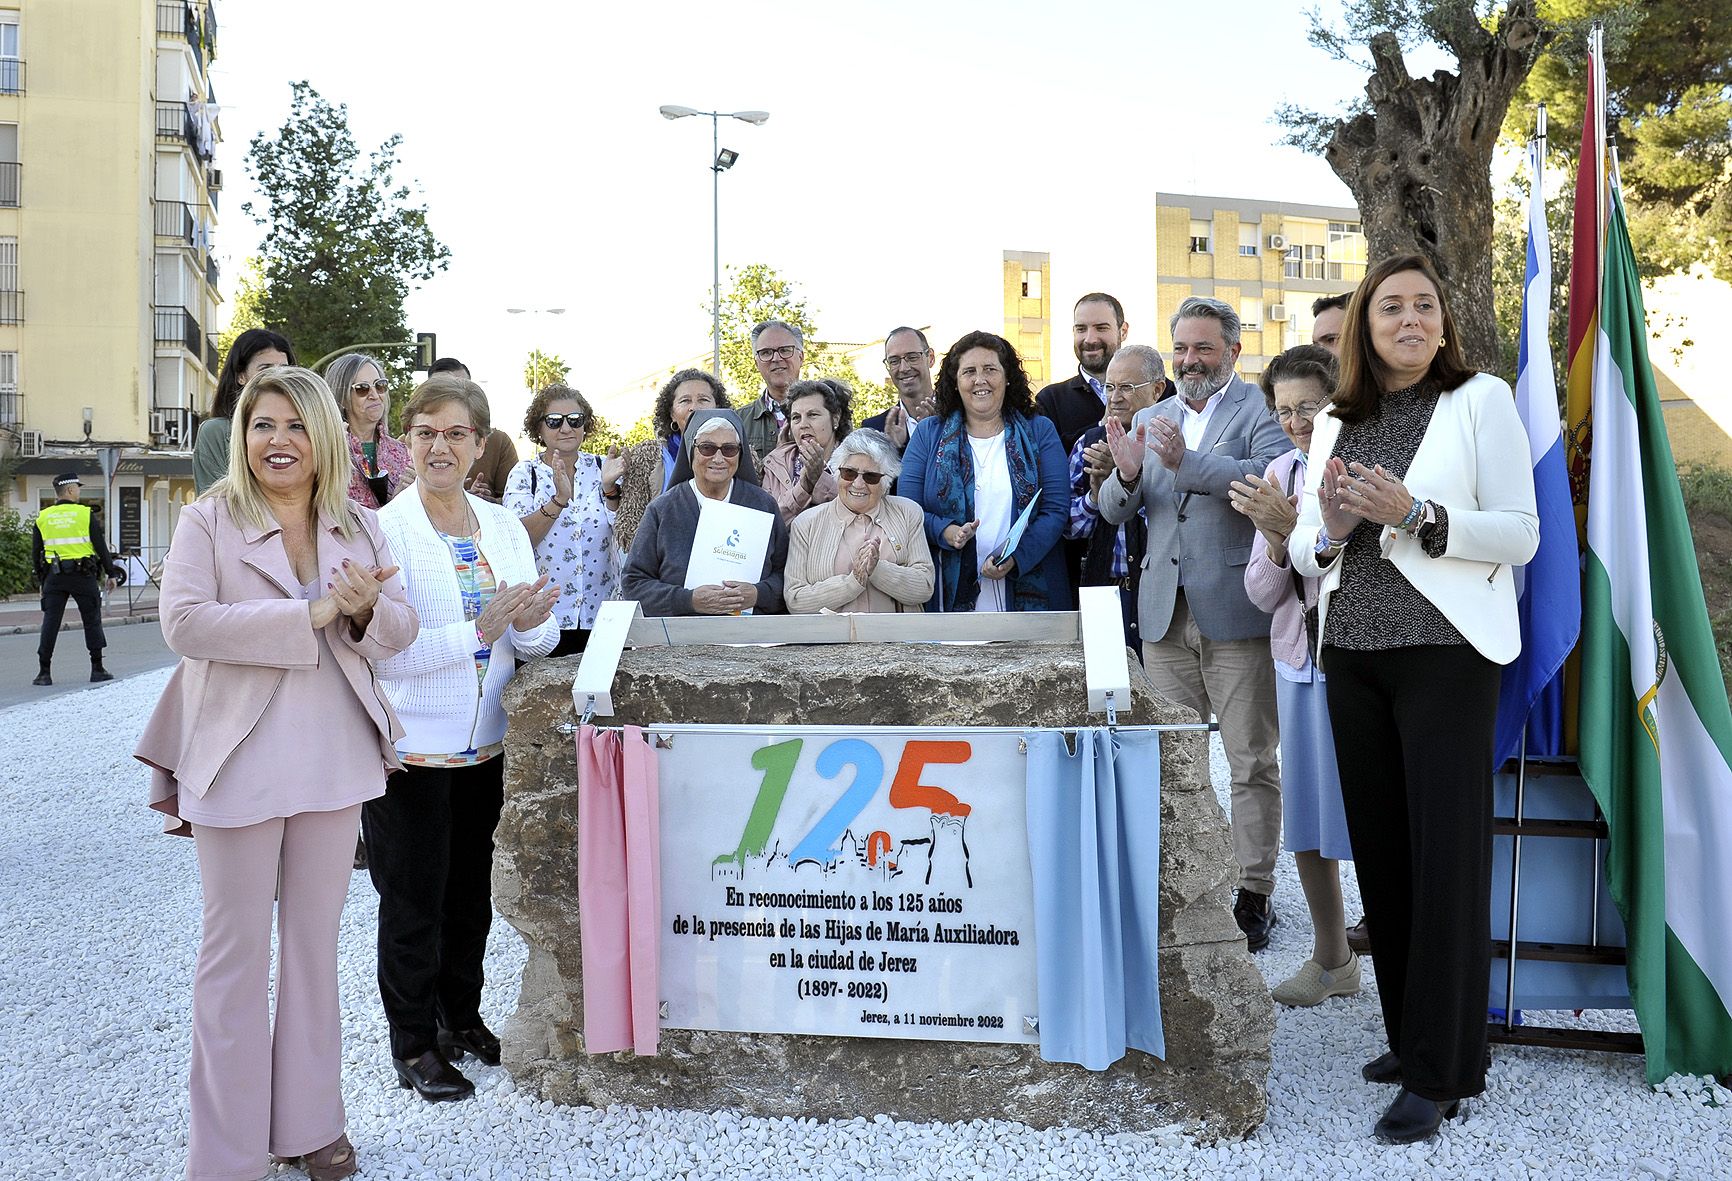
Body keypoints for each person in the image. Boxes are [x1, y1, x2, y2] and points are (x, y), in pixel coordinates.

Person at [134, 366, 418, 1181]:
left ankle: (310, 1127)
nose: (278, 441)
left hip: (334, 758)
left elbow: (397, 626)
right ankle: (224, 1156)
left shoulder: (357, 526)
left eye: (295, 425)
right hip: (234, 759)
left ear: (322, 435)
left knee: (311, 950)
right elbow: (185, 622)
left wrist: (363, 608)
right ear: (242, 436)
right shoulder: (208, 519)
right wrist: (311, 613)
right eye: (262, 425)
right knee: (233, 955)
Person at [1291, 254, 1538, 1144]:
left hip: (1445, 658)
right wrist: (1332, 530)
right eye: (1389, 306)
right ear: (1364, 324)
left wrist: (1417, 512)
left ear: (1443, 320)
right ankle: (1410, 1036)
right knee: (1386, 861)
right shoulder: (1334, 421)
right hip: (1353, 656)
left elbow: (1522, 532)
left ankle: (1445, 1071)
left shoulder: (1482, 400)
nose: (1408, 318)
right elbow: (1304, 558)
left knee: (1445, 862)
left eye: (1423, 304)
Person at [369, 376, 561, 1103]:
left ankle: (461, 1017)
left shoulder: (504, 525)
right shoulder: (386, 531)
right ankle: (413, 1042)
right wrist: (478, 629)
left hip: (486, 746)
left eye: (455, 433)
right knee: (412, 901)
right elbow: (385, 652)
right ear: (407, 442)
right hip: (412, 749)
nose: (440, 445)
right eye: (425, 432)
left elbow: (534, 642)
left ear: (479, 443)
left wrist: (533, 616)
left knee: (470, 897)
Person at [1099, 296, 1290, 950]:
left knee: (1249, 759)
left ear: (1232, 351)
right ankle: (1182, 883)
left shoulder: (1259, 410)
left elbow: (1266, 475)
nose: (1189, 360)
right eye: (1180, 348)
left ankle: (1254, 891)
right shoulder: (1151, 414)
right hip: (1162, 613)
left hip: (1236, 610)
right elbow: (1116, 508)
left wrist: (1188, 465)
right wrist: (1126, 474)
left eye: (1202, 348)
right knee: (1169, 758)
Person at [1229, 345, 1359, 1007]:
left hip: (1358, 662)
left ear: (1337, 398)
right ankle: (1332, 957)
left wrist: (1298, 538)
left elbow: (1359, 569)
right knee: (1307, 820)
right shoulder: (1278, 472)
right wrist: (1279, 538)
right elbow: (1260, 589)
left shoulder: (1362, 463)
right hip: (1298, 664)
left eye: (1308, 405)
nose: (1296, 421)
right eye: (1283, 409)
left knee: (1369, 816)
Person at [900, 330, 1072, 613]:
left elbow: (1055, 509)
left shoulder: (1040, 431)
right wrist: (945, 531)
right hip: (944, 593)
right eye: (969, 371)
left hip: (1027, 586)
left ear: (1006, 377)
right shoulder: (928, 435)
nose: (980, 380)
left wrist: (1016, 557)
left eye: (990, 369)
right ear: (955, 382)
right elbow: (907, 511)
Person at [620, 407, 789, 617]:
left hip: (750, 637)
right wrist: (688, 600)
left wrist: (757, 594)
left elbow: (786, 574)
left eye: (729, 449)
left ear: (740, 453)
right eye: (707, 448)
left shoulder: (763, 505)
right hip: (681, 638)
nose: (718, 458)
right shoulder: (662, 510)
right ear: (692, 450)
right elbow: (633, 583)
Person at [503, 383, 624, 657]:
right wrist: (558, 500)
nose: (566, 428)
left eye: (575, 420)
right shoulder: (525, 474)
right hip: (545, 617)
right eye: (554, 421)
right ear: (539, 429)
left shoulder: (605, 468)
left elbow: (626, 534)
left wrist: (610, 490)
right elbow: (518, 541)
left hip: (604, 615)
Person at [1066, 344, 1167, 653]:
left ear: (1157, 389)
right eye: (1109, 387)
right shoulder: (1089, 443)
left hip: (1159, 594)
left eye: (1127, 387)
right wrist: (1097, 498)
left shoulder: (1171, 442)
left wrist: (1126, 479)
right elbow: (1069, 527)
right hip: (1103, 593)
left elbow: (1179, 520)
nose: (1115, 397)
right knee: (1106, 693)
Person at [785, 428, 934, 613]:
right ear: (838, 473)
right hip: (830, 641)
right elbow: (796, 601)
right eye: (849, 473)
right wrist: (852, 582)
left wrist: (878, 570)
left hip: (896, 640)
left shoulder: (908, 513)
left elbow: (925, 586)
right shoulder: (806, 524)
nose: (857, 484)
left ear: (885, 482)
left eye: (870, 476)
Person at [612, 368, 731, 556]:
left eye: (703, 399)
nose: (694, 407)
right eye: (685, 400)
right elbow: (630, 526)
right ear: (672, 414)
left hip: (724, 559)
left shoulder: (737, 453)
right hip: (664, 566)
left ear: (719, 407)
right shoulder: (647, 456)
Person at [31, 473, 126, 686]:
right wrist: (111, 573)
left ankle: (43, 673)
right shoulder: (84, 514)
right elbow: (100, 546)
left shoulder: (43, 517)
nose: (79, 492)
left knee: (50, 623)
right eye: (78, 488)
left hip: (53, 578)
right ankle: (97, 669)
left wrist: (41, 582)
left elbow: (36, 552)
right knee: (91, 620)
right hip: (83, 576)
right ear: (71, 490)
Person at [194, 328, 295, 493]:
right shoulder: (216, 432)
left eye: (284, 369)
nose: (277, 377)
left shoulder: (307, 428)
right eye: (266, 369)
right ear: (241, 376)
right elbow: (213, 500)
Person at [1037, 292, 1129, 457]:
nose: (1090, 339)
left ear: (1123, 331)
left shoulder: (1159, 391)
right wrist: (1102, 425)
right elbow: (1048, 463)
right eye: (1081, 329)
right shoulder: (1049, 401)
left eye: (1101, 328)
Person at [429, 356, 520, 503]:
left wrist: (482, 502)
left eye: (461, 387)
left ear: (480, 445)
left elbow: (516, 501)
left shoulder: (498, 441)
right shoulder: (408, 444)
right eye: (440, 389)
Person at [760, 378, 851, 523]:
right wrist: (803, 488)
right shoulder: (775, 462)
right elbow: (767, 522)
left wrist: (819, 479)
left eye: (812, 415)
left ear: (835, 419)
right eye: (796, 417)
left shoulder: (855, 460)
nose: (803, 424)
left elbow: (856, 513)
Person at [328, 352, 412, 509]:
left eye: (380, 386)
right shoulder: (328, 452)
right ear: (342, 398)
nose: (374, 395)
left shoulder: (402, 453)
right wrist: (396, 503)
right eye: (362, 389)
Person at [740, 320, 805, 465]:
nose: (776, 358)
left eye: (785, 350)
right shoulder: (739, 421)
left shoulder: (830, 411)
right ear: (756, 363)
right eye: (766, 353)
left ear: (801, 357)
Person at [862, 326, 937, 452]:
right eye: (894, 361)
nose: (904, 368)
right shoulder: (874, 430)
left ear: (930, 357)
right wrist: (894, 449)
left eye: (912, 357)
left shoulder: (960, 416)